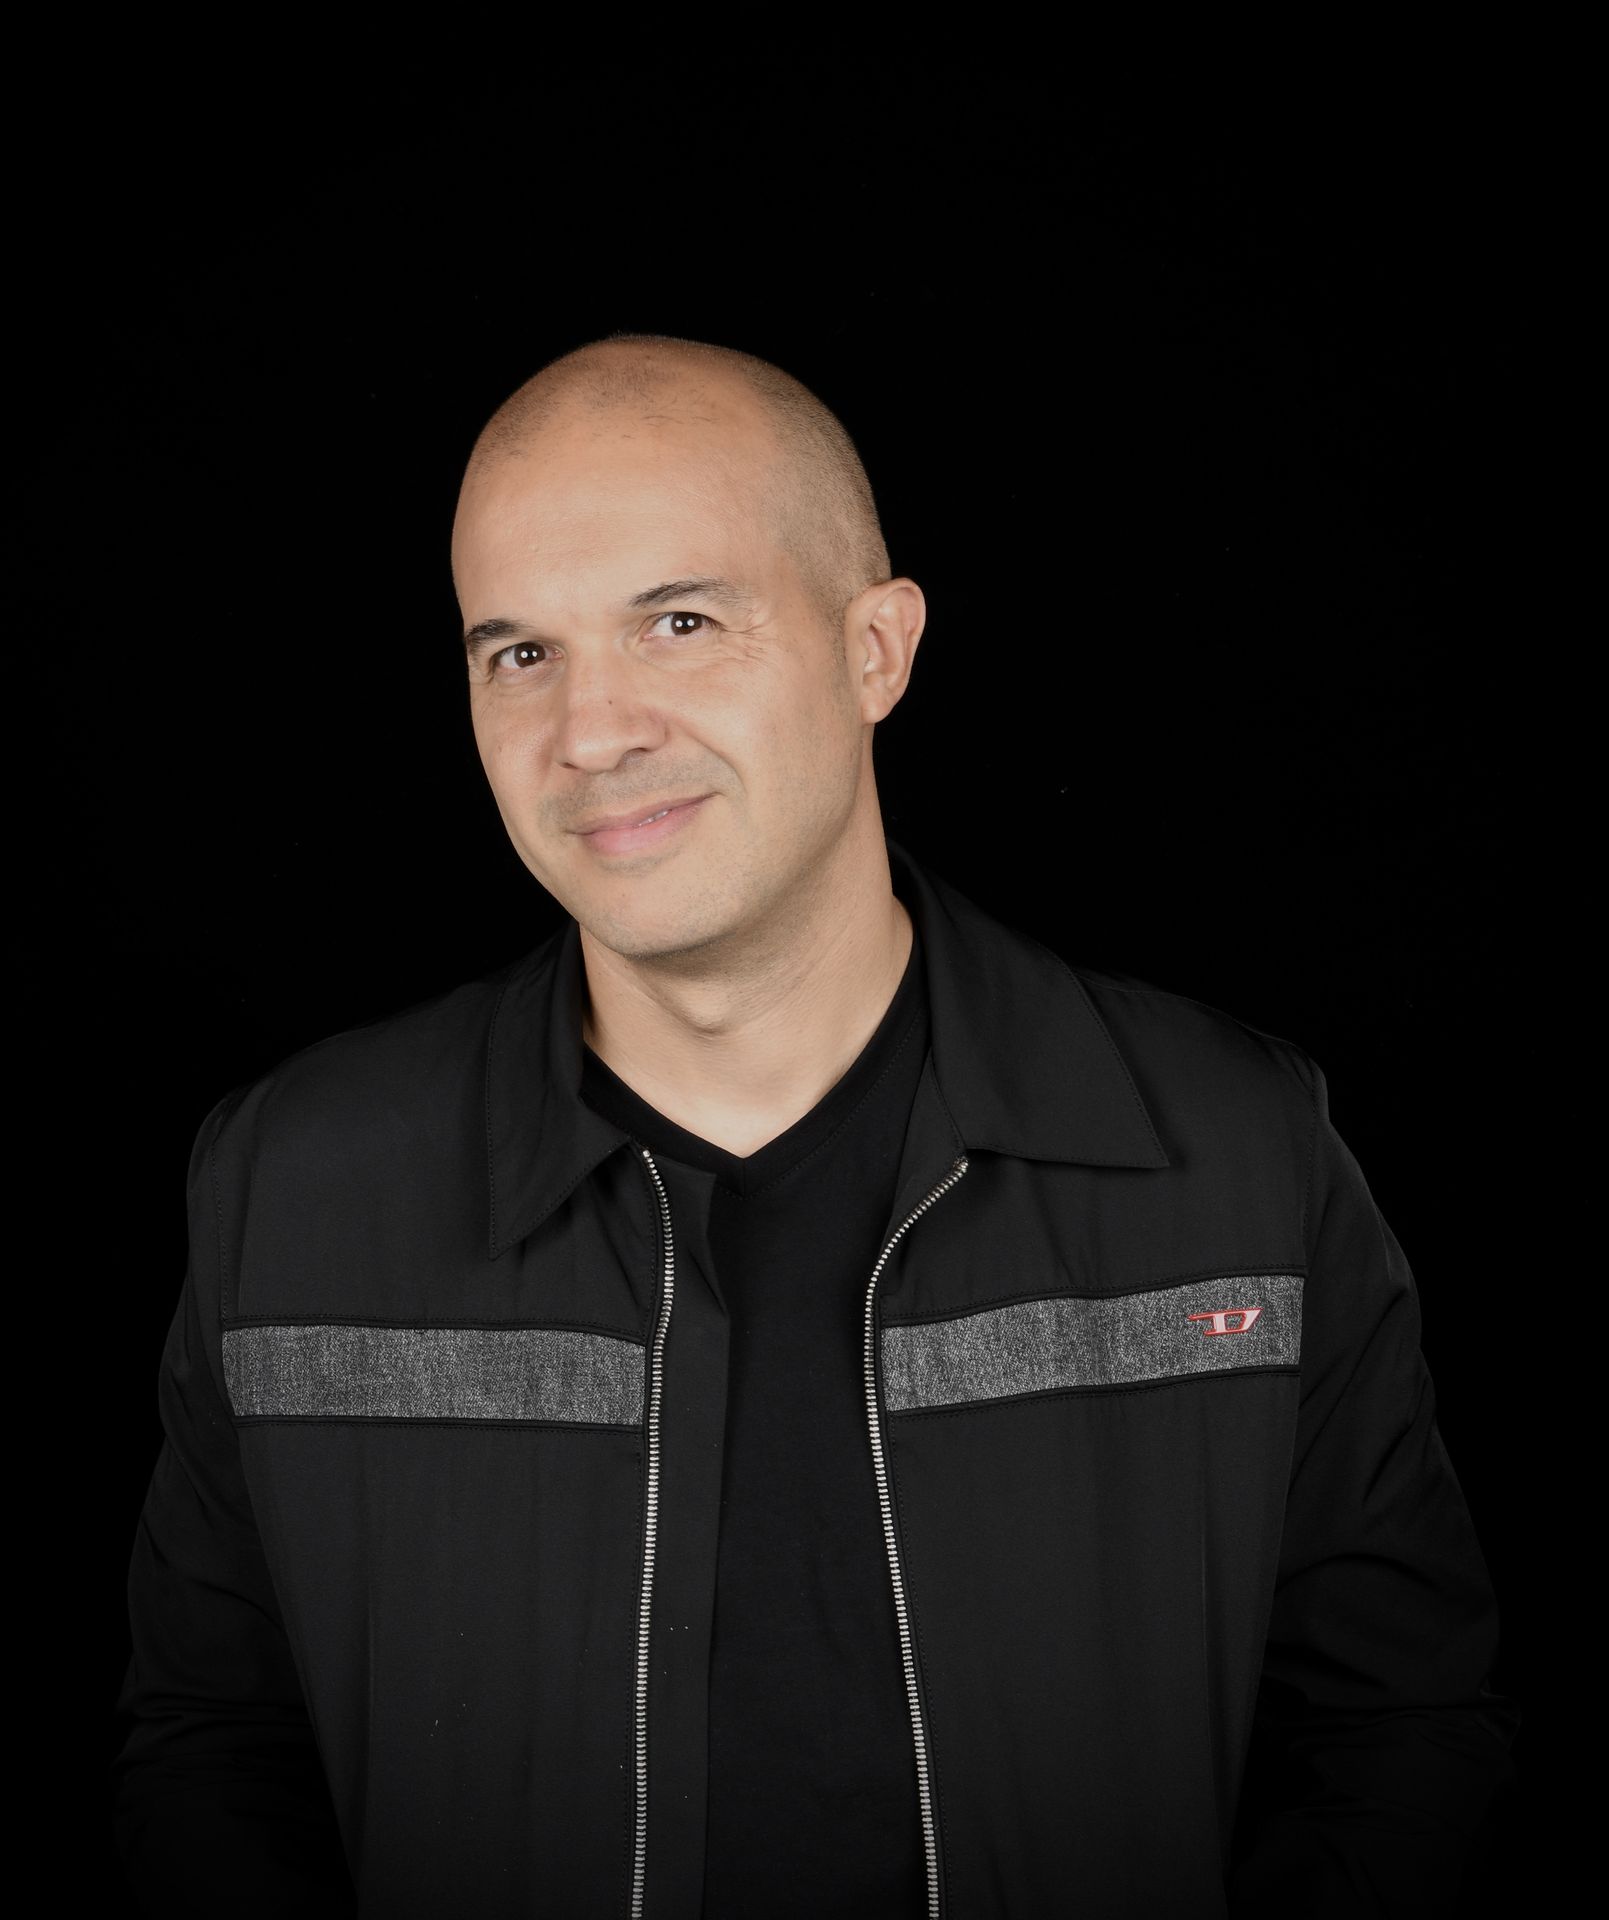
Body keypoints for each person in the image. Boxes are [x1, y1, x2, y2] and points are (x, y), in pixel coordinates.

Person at [113, 332, 1516, 1918]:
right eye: (520, 654)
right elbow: (215, 1748)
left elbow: (1395, 1738)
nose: (589, 732)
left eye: (680, 622)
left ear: (875, 651)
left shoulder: (1231, 1158)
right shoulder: (293, 1190)